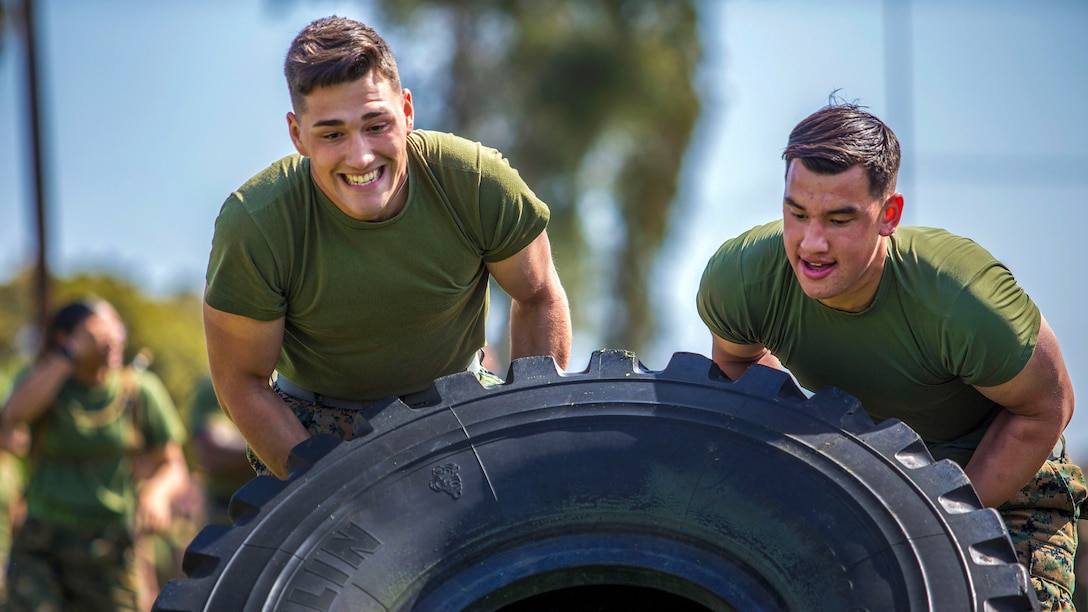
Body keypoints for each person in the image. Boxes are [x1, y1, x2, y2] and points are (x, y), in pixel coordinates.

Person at [696, 101, 1085, 610]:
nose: (812, 243)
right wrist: (825, 463)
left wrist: (930, 513)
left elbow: (1048, 406)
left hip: (1006, 503)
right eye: (797, 213)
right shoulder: (744, 279)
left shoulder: (960, 299)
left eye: (839, 219)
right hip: (868, 497)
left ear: (889, 216)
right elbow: (740, 373)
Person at [203, 15, 572, 481]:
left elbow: (539, 296)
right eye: (332, 134)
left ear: (408, 111)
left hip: (460, 404)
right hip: (316, 429)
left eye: (376, 125)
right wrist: (322, 485)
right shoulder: (256, 223)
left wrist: (525, 439)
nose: (360, 156)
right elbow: (242, 381)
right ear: (298, 135)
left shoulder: (475, 182)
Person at [0, 299, 189, 611]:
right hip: (43, 543)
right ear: (64, 338)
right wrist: (69, 356)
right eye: (98, 331)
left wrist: (157, 491)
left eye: (117, 329)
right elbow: (13, 414)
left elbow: (173, 466)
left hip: (111, 546)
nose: (112, 338)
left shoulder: (138, 390)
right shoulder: (43, 382)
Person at [187, 375, 252, 525]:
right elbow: (213, 454)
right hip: (230, 513)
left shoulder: (287, 380)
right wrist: (273, 447)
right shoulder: (213, 387)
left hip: (290, 505)